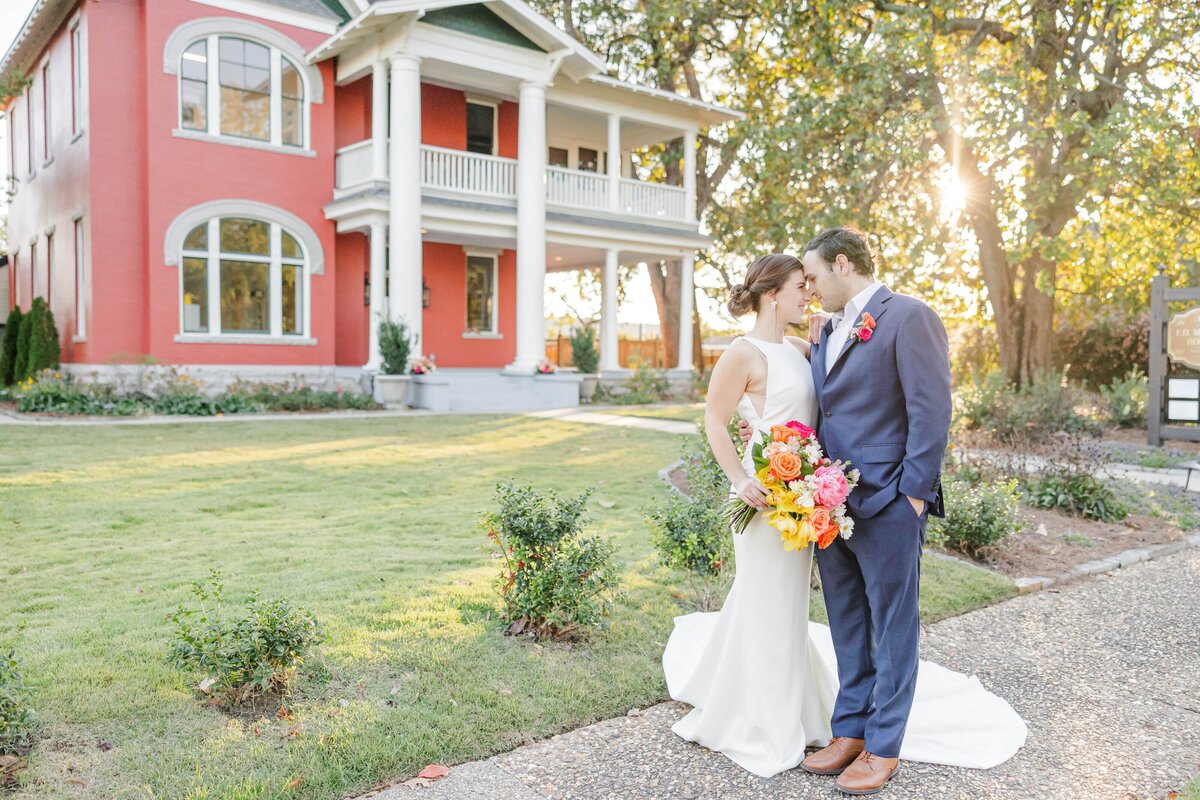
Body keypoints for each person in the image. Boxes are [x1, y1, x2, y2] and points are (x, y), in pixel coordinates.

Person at [662, 242, 1026, 794]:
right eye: (798, 283)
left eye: (811, 276)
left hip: (888, 504)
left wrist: (915, 498)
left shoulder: (910, 316)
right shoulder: (822, 334)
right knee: (847, 626)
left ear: (842, 265)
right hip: (826, 506)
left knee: (892, 627)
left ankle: (884, 744)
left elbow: (932, 410)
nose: (808, 290)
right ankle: (849, 730)